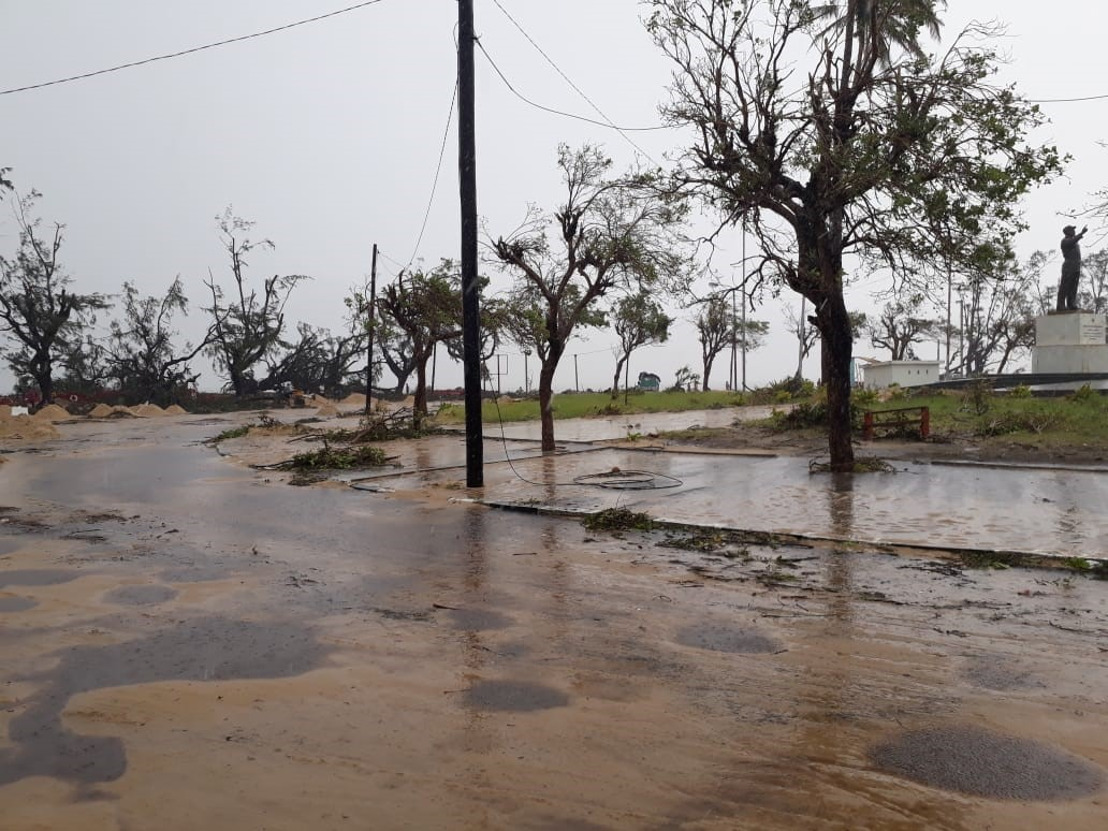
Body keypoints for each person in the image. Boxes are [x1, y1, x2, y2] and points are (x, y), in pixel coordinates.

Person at [1057, 224, 1089, 312]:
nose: (1074, 231)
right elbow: (1073, 241)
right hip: (1068, 266)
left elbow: (1074, 241)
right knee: (1065, 286)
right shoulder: (1065, 241)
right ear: (1068, 232)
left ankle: (1071, 304)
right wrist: (1081, 233)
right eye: (1072, 230)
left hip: (1076, 267)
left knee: (1073, 287)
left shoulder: (1074, 242)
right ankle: (1060, 305)